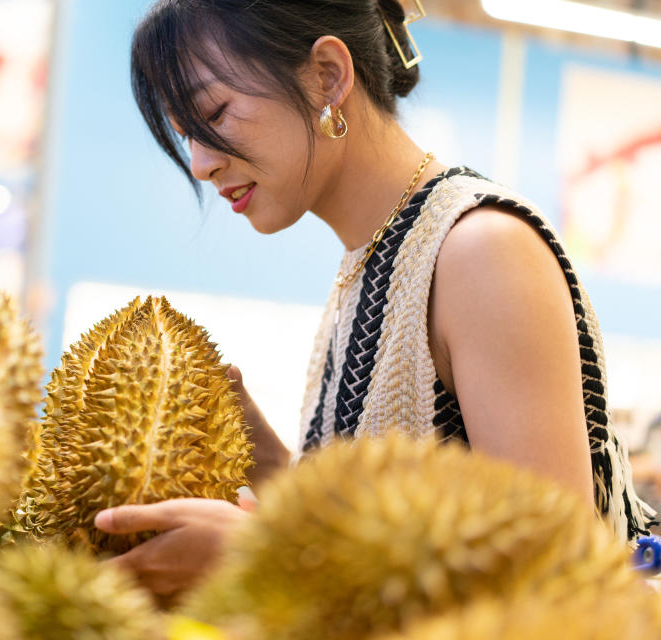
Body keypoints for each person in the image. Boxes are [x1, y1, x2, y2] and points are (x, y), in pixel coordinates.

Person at [93, 0, 657, 601]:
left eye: (215, 114)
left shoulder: (479, 251)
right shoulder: (368, 266)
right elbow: (386, 530)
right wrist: (272, 468)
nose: (202, 164)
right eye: (186, 137)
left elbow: (555, 583)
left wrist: (267, 557)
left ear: (328, 76)